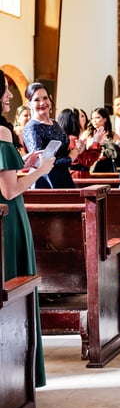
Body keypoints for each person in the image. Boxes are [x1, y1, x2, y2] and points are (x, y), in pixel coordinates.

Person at [0, 69, 55, 387]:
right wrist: (40, 170)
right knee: (15, 289)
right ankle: (20, 375)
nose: (9, 96)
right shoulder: (3, 133)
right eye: (4, 91)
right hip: (8, 218)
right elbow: (8, 191)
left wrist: (23, 164)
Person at [22, 83, 80, 188]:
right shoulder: (32, 128)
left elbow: (61, 151)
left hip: (63, 177)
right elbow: (40, 162)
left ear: (50, 98)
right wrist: (71, 157)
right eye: (36, 100)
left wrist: (77, 148)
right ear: (29, 103)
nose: (42, 103)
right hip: (46, 180)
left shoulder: (55, 123)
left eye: (45, 98)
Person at [85, 107, 120, 173]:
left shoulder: (113, 135)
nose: (94, 120)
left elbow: (118, 153)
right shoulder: (87, 134)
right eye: (92, 118)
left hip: (108, 168)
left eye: (97, 117)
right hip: (91, 166)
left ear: (105, 119)